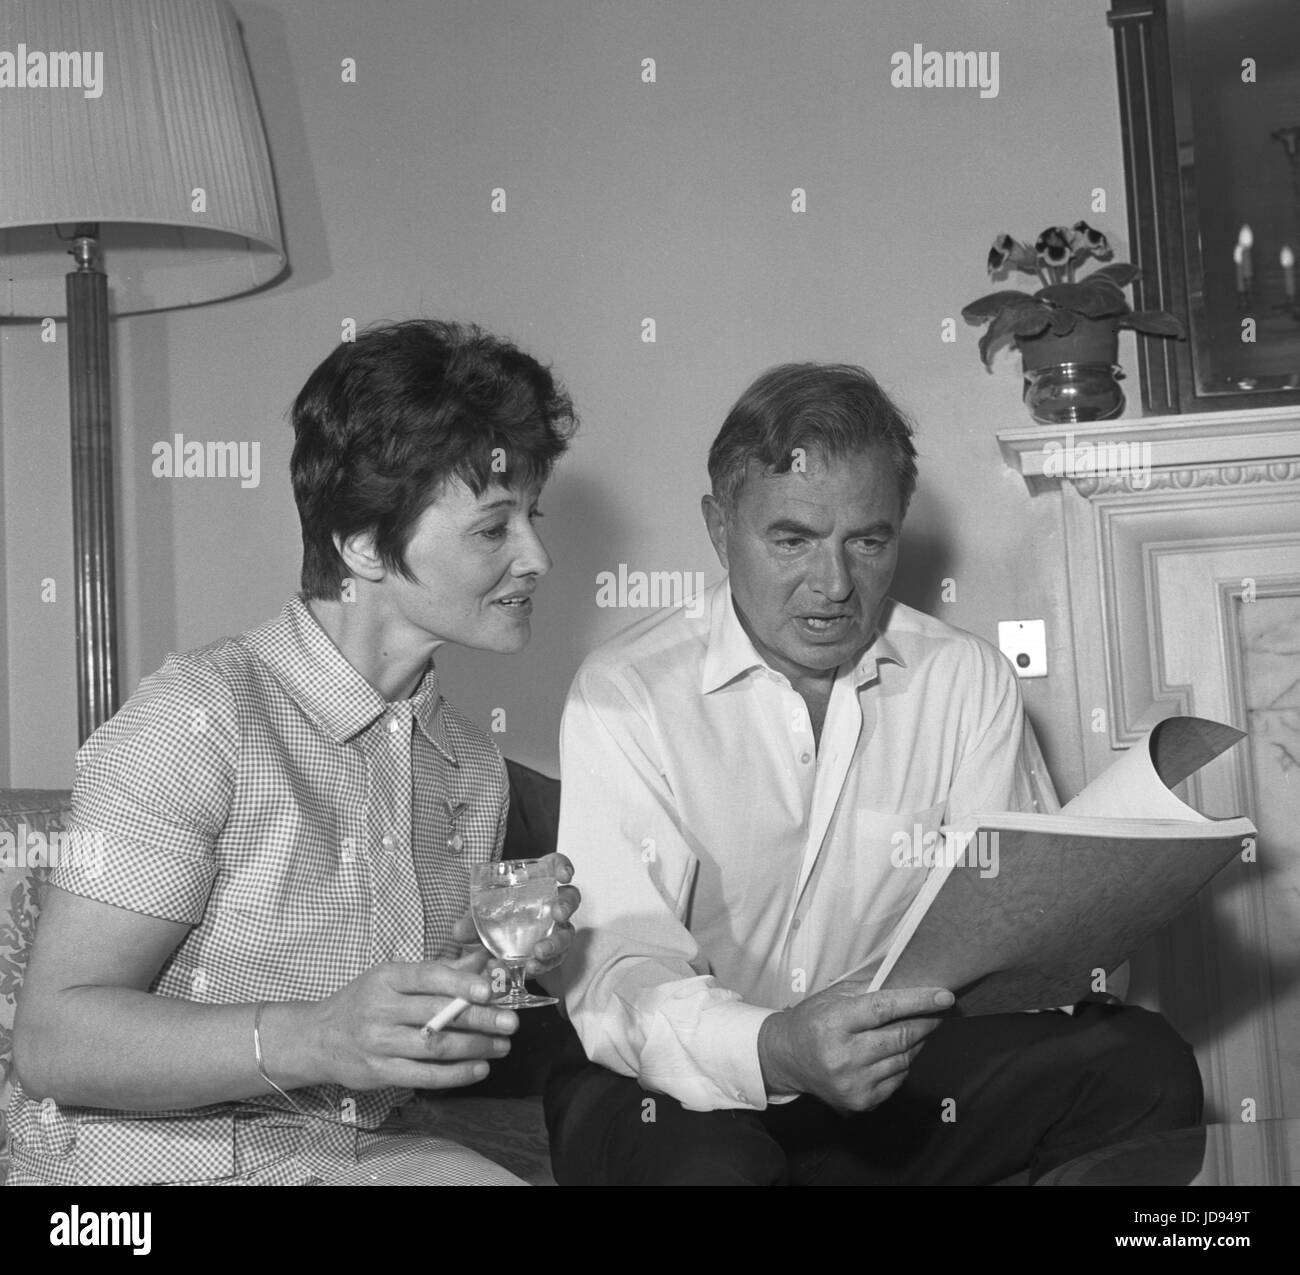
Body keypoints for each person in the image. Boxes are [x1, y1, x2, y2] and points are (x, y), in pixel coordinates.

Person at [543, 361, 1202, 1185]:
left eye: (868, 539)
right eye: (792, 539)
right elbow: (621, 975)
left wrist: (1094, 925)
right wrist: (775, 1049)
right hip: (669, 1084)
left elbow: (1018, 931)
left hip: (888, 1075)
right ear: (719, 528)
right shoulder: (627, 694)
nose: (834, 584)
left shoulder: (966, 680)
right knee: (712, 1169)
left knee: (1142, 1063)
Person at [11, 319, 580, 1186]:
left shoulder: (467, 763)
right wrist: (319, 1033)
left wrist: (484, 973)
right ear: (361, 543)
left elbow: (404, 1029)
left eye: (531, 517)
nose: (537, 556)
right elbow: (56, 1042)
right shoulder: (201, 718)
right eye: (494, 526)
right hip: (135, 1175)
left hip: (350, 1156)